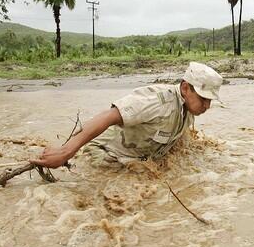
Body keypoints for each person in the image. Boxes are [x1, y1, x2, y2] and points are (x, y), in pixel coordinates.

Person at [30, 62, 223, 169]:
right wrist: (65, 152)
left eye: (210, 100)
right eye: (203, 99)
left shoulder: (188, 108)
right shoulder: (156, 101)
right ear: (185, 87)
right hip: (106, 155)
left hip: (140, 158)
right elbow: (108, 116)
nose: (207, 105)